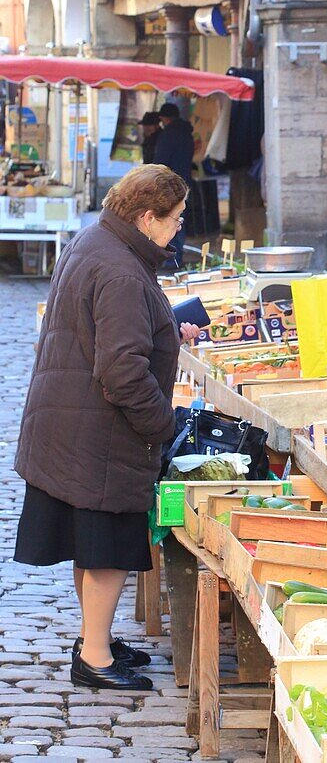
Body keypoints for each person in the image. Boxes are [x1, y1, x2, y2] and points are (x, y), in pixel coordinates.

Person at [14, 165, 200, 691]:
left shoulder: (97, 240)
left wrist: (167, 336)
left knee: (89, 542)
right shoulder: (120, 269)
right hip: (98, 432)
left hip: (73, 421)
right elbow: (121, 371)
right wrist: (162, 425)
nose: (178, 229)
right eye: (175, 219)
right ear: (146, 216)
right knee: (106, 546)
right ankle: (94, 657)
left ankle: (92, 637)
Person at [152, 102, 194, 266]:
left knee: (170, 220)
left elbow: (160, 163)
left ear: (164, 118)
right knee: (180, 219)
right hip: (185, 182)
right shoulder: (187, 132)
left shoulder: (168, 134)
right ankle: (177, 256)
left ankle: (172, 260)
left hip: (169, 185)